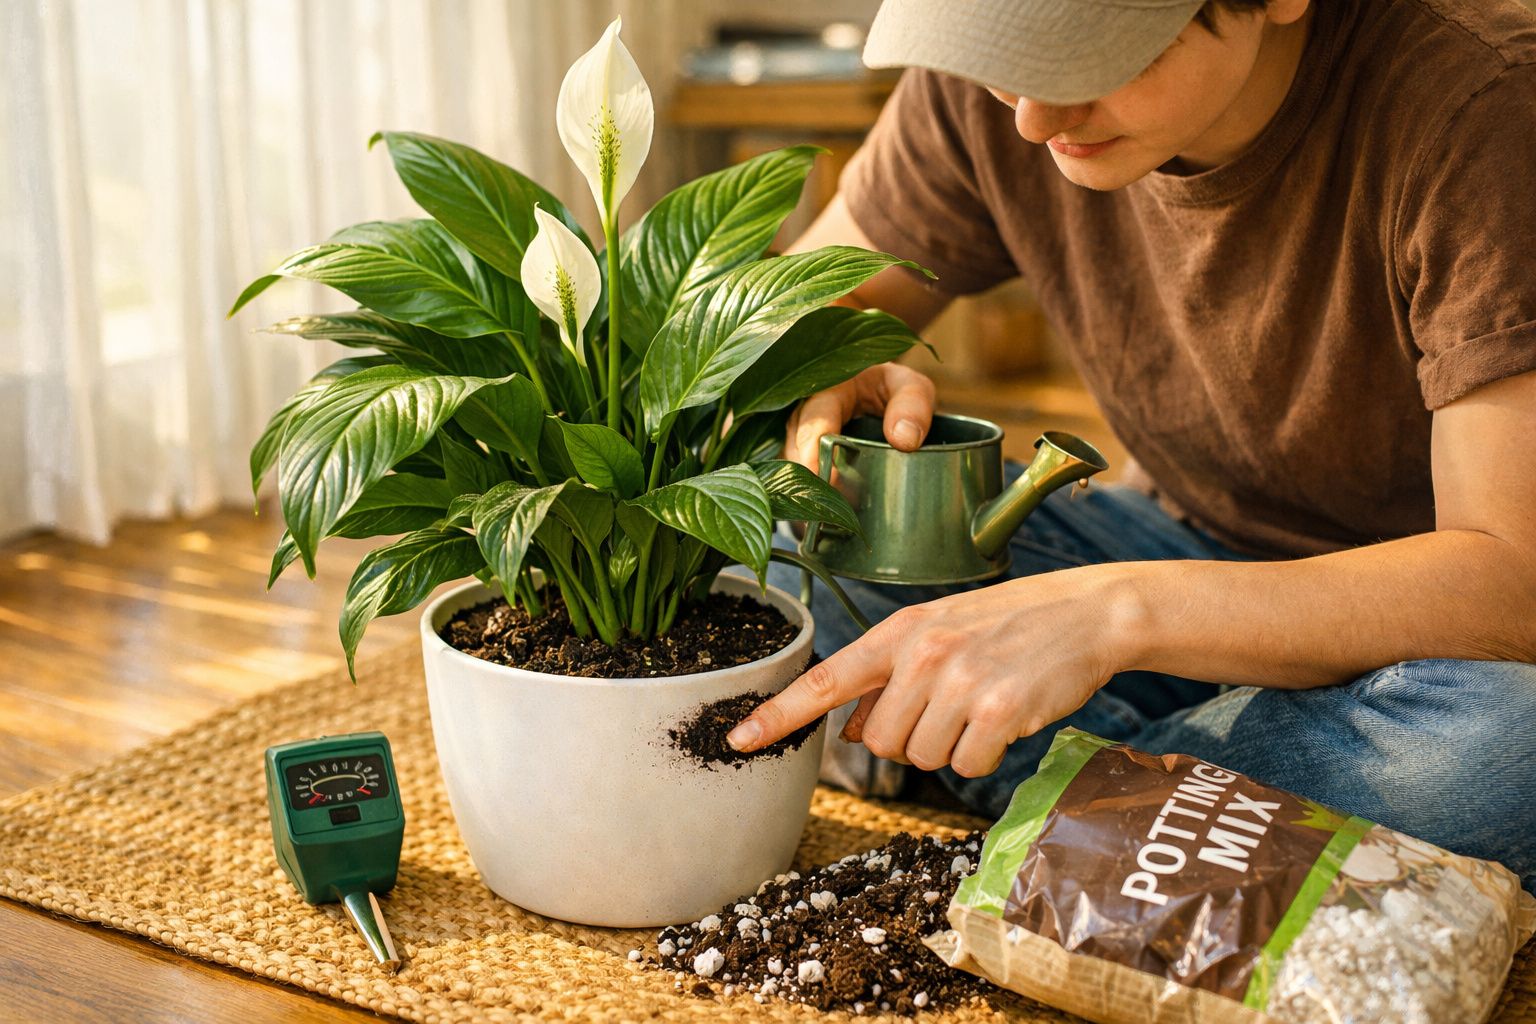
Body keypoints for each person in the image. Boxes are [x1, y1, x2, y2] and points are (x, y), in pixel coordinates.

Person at [729, 0, 1536, 893]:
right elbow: (766, 333)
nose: (1032, 120)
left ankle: (986, 768)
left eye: (1086, 56)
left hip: (1437, 649)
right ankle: (1158, 823)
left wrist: (1111, 616)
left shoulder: (1487, 106)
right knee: (780, 521)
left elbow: (1512, 584)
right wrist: (839, 365)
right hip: (1180, 551)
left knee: (1509, 753)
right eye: (1009, 58)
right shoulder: (993, 98)